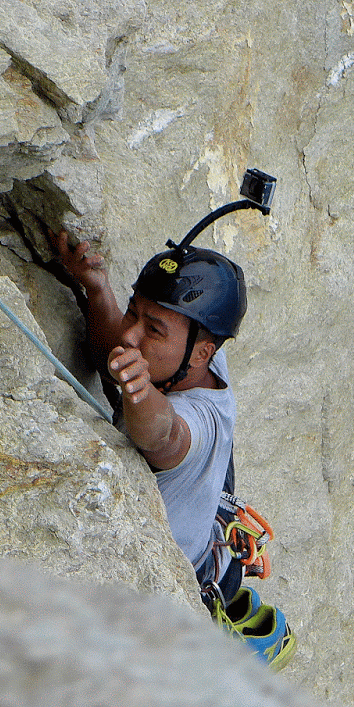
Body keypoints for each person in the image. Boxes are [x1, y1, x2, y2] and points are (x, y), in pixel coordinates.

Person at [48, 227, 245, 596]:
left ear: (203, 353)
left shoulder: (199, 421)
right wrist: (98, 290)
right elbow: (115, 347)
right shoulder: (195, 351)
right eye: (132, 312)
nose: (131, 335)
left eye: (153, 330)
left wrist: (139, 392)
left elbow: (163, 436)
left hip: (186, 570)